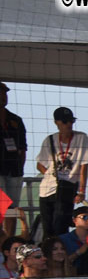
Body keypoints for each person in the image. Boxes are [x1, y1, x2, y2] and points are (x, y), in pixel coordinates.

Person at [35, 107, 88, 240]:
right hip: (46, 189)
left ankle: (61, 256)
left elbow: (84, 167)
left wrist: (81, 191)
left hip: (67, 187)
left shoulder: (81, 138)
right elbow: (40, 165)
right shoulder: (49, 140)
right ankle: (48, 255)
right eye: (65, 121)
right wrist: (51, 175)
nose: (69, 124)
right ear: (57, 123)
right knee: (48, 229)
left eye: (71, 121)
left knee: (60, 227)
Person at [0, 83, 27, 241]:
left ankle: (9, 241)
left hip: (14, 170)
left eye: (5, 94)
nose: (3, 97)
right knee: (1, 206)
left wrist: (20, 167)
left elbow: (23, 148)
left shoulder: (15, 120)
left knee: (12, 208)